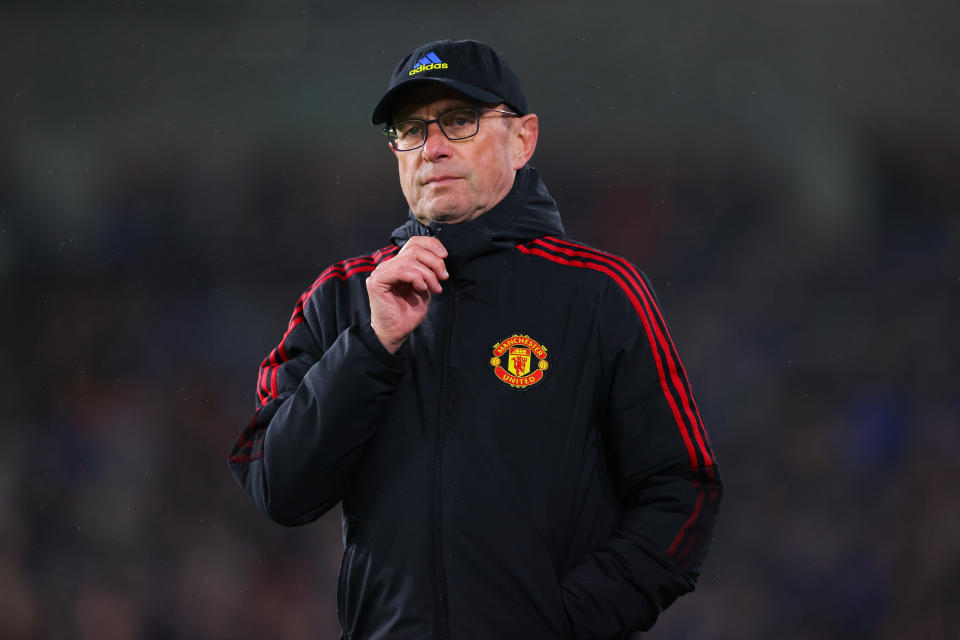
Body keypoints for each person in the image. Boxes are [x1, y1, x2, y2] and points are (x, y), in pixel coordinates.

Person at [229, 39, 722, 639]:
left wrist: (570, 620)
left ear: (523, 139)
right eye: (411, 129)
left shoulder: (600, 292)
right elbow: (280, 488)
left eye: (459, 121)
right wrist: (371, 344)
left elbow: (683, 489)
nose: (432, 146)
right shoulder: (341, 297)